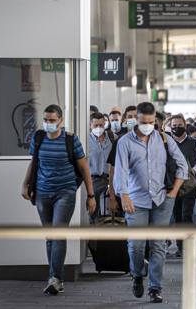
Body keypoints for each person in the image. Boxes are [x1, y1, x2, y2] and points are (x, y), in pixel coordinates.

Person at [114, 102, 188, 303]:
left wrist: (173, 192)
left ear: (155, 120)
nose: (147, 125)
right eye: (143, 122)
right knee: (135, 245)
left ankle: (155, 287)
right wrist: (124, 195)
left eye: (151, 122)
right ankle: (137, 274)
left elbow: (182, 165)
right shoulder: (125, 142)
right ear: (136, 119)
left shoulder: (164, 139)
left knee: (158, 245)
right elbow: (120, 172)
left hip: (162, 199)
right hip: (135, 200)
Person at [21, 104, 96, 295]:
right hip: (42, 193)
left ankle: (55, 278)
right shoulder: (38, 138)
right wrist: (25, 184)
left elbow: (84, 168)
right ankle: (54, 276)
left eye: (53, 120)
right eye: (46, 120)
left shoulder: (70, 140)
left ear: (61, 121)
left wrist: (91, 195)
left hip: (65, 192)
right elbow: (34, 163)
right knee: (50, 236)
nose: (48, 124)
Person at [170, 114, 196, 255]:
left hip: (189, 184)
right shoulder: (168, 142)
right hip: (173, 184)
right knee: (177, 215)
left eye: (180, 125)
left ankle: (187, 245)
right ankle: (179, 245)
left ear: (185, 125)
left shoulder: (194, 142)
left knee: (186, 214)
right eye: (174, 126)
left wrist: (192, 171)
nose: (177, 128)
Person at [106, 105, 138, 212]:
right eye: (130, 116)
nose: (133, 119)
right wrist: (112, 197)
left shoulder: (150, 140)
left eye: (136, 116)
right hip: (125, 194)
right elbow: (112, 171)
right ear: (124, 119)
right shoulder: (120, 141)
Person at [88, 112, 114, 224]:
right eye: (95, 126)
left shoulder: (113, 138)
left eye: (101, 125)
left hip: (111, 178)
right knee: (94, 209)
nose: (99, 128)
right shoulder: (85, 140)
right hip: (94, 179)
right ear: (90, 125)